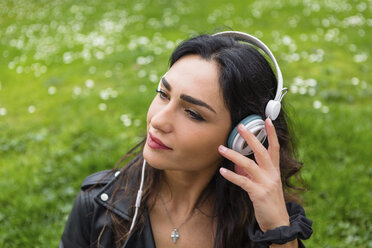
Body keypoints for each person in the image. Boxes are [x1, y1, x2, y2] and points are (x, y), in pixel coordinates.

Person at [60, 31, 313, 248]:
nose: (158, 121)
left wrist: (278, 230)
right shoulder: (96, 207)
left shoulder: (263, 220)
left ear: (244, 136)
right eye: (163, 94)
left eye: (193, 113)